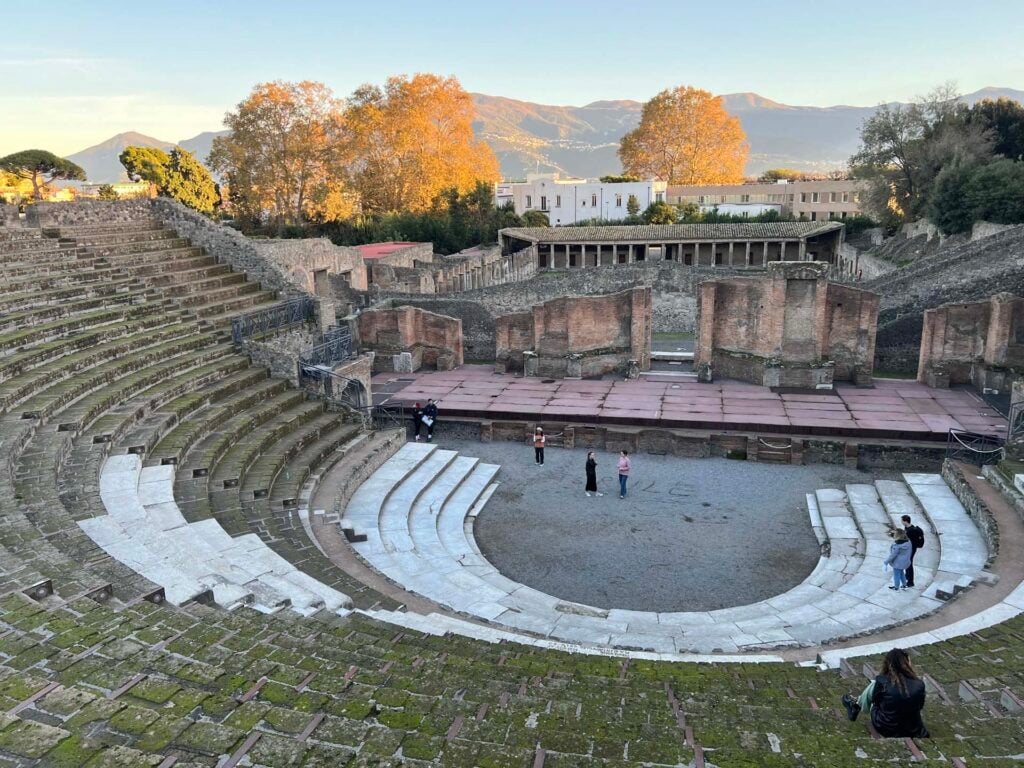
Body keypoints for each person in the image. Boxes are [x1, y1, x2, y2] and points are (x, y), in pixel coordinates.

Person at [842, 648, 929, 738]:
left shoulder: (881, 681)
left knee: (874, 687)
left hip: (886, 728)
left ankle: (856, 705)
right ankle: (856, 704)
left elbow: (876, 702)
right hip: (913, 730)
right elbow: (920, 706)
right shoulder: (919, 684)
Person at [901, 515, 925, 588]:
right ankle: (907, 576)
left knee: (909, 564)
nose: (901, 522)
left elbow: (911, 541)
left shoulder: (911, 531)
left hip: (911, 549)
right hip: (909, 548)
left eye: (902, 520)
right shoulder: (907, 528)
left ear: (905, 521)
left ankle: (911, 582)